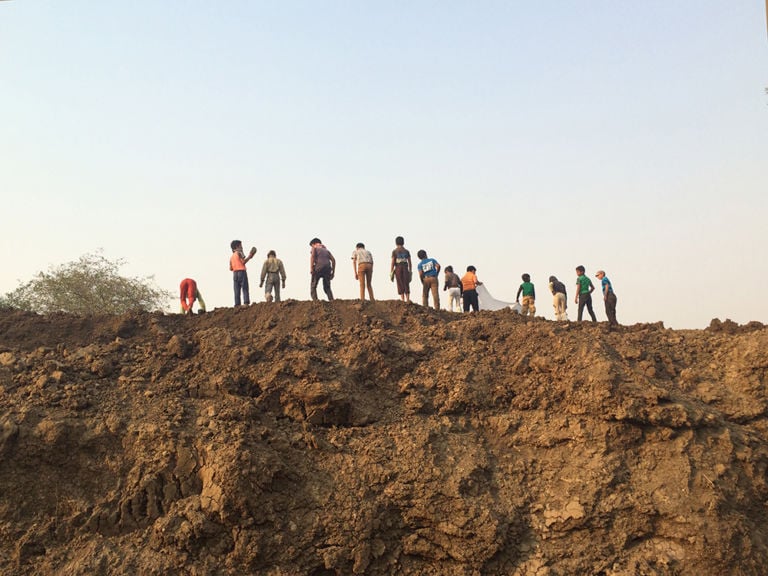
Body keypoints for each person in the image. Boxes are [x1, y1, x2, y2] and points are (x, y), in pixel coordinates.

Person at [230, 240, 257, 306]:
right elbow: (243, 262)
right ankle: (246, 302)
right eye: (241, 246)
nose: (242, 247)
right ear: (237, 246)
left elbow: (230, 268)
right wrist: (250, 256)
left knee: (236, 289)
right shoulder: (239, 253)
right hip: (241, 272)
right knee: (245, 288)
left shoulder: (231, 257)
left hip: (235, 273)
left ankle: (237, 304)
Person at [390, 236, 412, 302]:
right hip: (405, 267)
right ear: (403, 242)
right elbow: (410, 262)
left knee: (399, 282)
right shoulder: (406, 251)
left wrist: (391, 271)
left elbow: (393, 262)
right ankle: (407, 299)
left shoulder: (394, 251)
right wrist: (410, 271)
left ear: (396, 243)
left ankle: (402, 299)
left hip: (398, 268)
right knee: (406, 282)